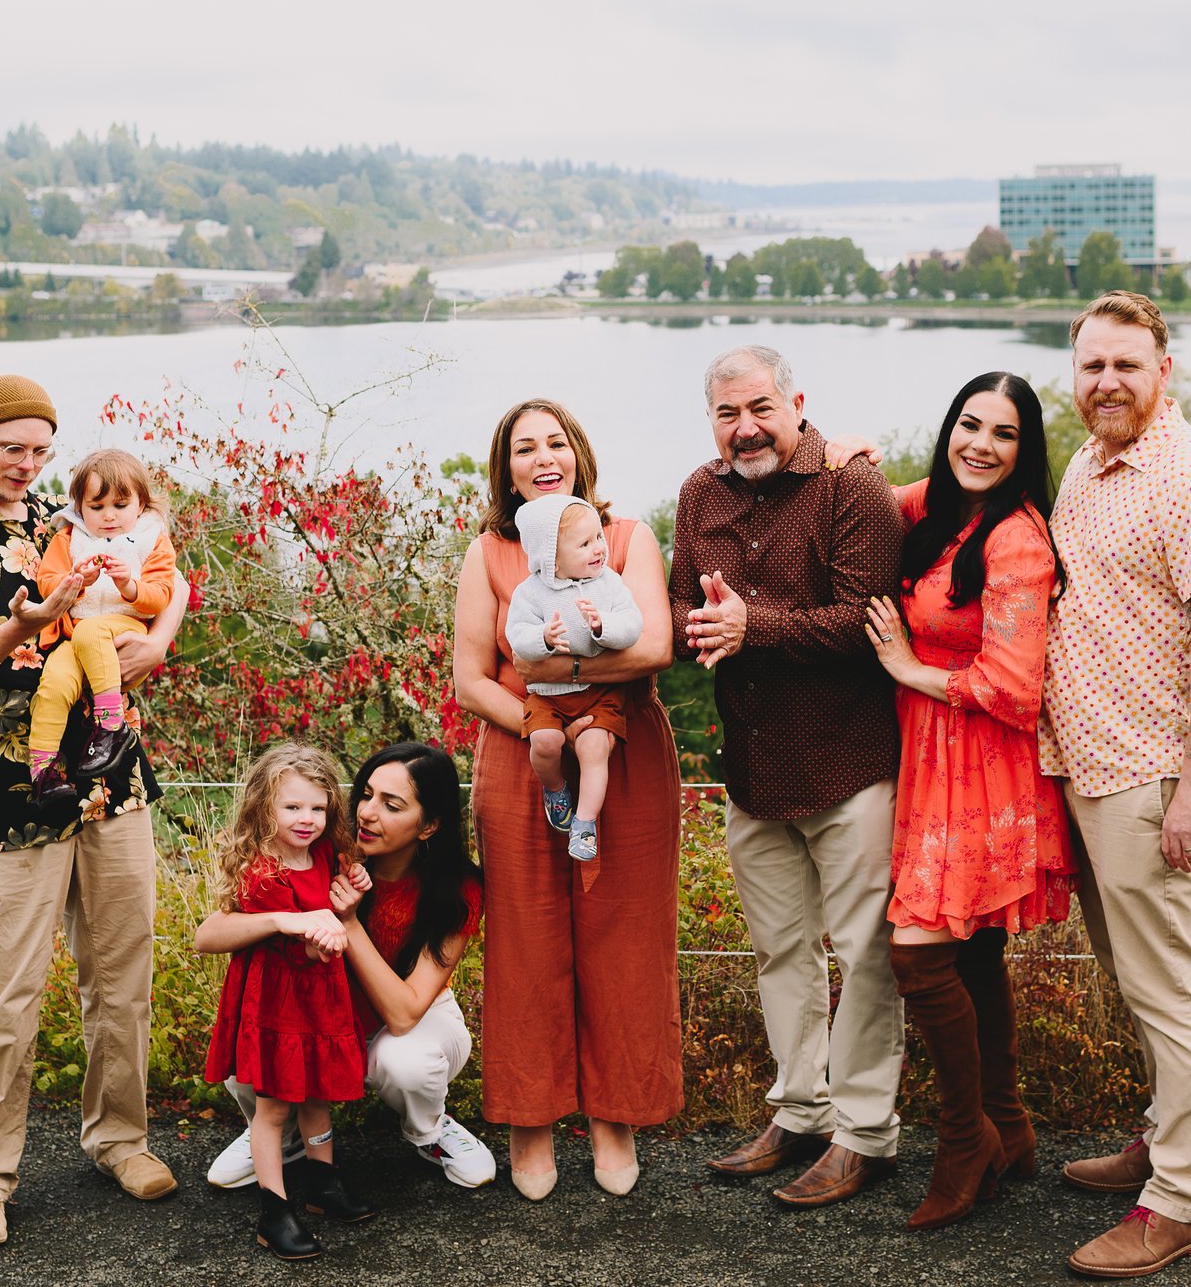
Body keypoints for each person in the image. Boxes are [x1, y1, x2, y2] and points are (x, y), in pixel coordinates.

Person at [0, 373, 186, 1249]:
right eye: (11, 447)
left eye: (40, 449)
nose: (27, 464)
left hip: (111, 781)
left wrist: (154, 645)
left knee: (123, 979)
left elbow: (170, 578)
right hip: (4, 801)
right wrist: (23, 628)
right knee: (6, 999)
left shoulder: (70, 515)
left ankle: (119, 1138)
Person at [1043, 292, 1191, 1281]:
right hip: (1085, 772)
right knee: (1134, 979)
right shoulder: (1088, 465)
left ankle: (1177, 1202)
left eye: (1125, 365)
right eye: (1091, 366)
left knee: (1169, 988)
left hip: (1151, 775)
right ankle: (1172, 1136)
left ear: (1162, 369)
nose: (1106, 383)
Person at [671, 345, 908, 1209]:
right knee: (781, 952)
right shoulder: (701, 493)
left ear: (796, 401)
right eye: (728, 413)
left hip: (850, 763)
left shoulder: (851, 487)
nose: (746, 428)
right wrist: (688, 624)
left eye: (760, 408)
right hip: (753, 769)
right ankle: (800, 1109)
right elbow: (676, 603)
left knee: (865, 954)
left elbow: (869, 621)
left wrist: (751, 627)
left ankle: (866, 1132)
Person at [452, 398, 682, 1200]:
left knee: (624, 932)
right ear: (505, 468)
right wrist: (542, 712)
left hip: (624, 752)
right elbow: (471, 676)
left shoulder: (626, 538)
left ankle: (615, 1115)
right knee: (526, 937)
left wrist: (566, 685)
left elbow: (655, 645)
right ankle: (531, 1117)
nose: (542, 455)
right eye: (524, 447)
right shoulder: (491, 551)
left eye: (556, 442)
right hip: (526, 756)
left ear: (579, 454)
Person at [861, 370, 1075, 1230]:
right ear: (950, 427)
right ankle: (1011, 1126)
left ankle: (965, 1139)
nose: (980, 444)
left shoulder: (1018, 540)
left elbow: (1017, 685)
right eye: (969, 424)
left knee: (918, 953)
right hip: (932, 759)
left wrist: (912, 668)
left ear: (1026, 453)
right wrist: (840, 455)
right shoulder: (940, 506)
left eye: (1004, 433)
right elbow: (873, 492)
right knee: (975, 952)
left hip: (983, 767)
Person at [205, 741, 493, 1193]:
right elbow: (211, 932)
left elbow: (404, 1015)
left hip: (413, 1017)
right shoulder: (327, 850)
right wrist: (285, 919)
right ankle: (279, 1131)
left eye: (391, 805)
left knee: (406, 1064)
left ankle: (430, 1132)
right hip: (325, 1006)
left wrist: (349, 921)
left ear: (429, 825)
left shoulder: (457, 889)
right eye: (366, 794)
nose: (367, 812)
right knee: (252, 1051)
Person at [197, 743, 374, 1261]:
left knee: (316, 1094)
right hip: (279, 999)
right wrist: (324, 940)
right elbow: (300, 945)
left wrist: (353, 891)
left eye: (318, 808)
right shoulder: (263, 871)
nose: (308, 819)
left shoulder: (324, 855)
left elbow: (333, 907)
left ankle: (322, 1181)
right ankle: (273, 1210)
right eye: (292, 807)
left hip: (319, 996)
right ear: (263, 808)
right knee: (274, 1109)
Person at [26, 448, 177, 811]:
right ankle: (42, 773)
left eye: (120, 506)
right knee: (53, 684)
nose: (108, 516)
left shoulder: (151, 538)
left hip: (125, 625)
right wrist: (76, 581)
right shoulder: (69, 538)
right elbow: (47, 582)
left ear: (140, 504)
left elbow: (162, 594)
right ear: (80, 507)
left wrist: (130, 586)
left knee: (92, 633)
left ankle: (110, 725)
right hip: (75, 631)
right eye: (96, 508)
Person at [505, 493, 645, 863]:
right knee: (546, 743)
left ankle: (584, 824)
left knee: (593, 747)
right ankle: (555, 788)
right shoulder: (530, 593)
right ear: (550, 558)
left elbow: (633, 625)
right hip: (547, 695)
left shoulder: (608, 584)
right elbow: (516, 635)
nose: (598, 548)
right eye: (584, 544)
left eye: (598, 537)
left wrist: (603, 626)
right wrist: (544, 639)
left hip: (600, 693)